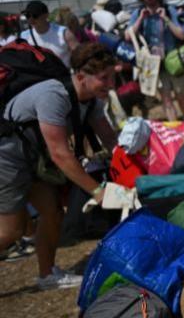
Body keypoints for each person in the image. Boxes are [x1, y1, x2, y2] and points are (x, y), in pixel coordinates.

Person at [0, 43, 117, 289]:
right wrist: (99, 192)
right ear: (81, 77)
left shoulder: (91, 102)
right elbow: (60, 154)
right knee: (10, 232)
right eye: (104, 78)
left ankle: (47, 276)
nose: (111, 84)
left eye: (112, 77)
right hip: (7, 156)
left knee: (52, 212)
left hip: (31, 159)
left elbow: (110, 139)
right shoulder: (54, 95)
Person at [129, 0, 184, 121]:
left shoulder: (168, 10)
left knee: (181, 94)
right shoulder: (138, 13)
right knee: (166, 98)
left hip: (173, 59)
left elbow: (181, 34)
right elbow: (128, 35)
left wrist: (166, 19)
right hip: (155, 63)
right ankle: (174, 126)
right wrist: (140, 19)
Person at [20, 0, 79, 67]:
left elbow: (79, 55)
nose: (31, 19)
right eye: (27, 16)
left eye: (35, 15)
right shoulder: (24, 36)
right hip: (39, 76)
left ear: (46, 15)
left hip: (62, 75)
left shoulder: (63, 32)